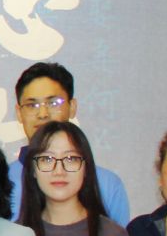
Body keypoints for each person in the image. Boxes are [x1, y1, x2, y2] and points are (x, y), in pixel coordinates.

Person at [7, 63, 132, 226]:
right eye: (32, 105)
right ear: (19, 113)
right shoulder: (1, 182)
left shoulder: (107, 185)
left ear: (72, 107)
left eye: (53, 103)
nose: (43, 114)